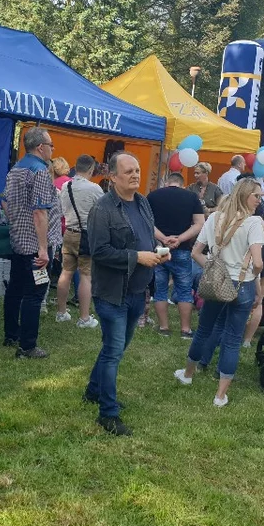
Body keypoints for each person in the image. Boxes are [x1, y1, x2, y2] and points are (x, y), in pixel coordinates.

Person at [84, 152, 168, 435]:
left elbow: (144, 237)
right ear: (113, 177)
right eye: (128, 171)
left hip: (137, 291)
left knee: (114, 348)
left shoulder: (143, 202)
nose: (135, 175)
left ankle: (93, 391)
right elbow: (99, 252)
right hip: (111, 293)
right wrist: (137, 257)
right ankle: (107, 414)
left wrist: (156, 254)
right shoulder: (103, 209)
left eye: (137, 170)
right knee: (113, 351)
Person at [173, 179, 264, 406]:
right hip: (243, 284)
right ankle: (220, 395)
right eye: (257, 196)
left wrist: (214, 269)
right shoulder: (254, 223)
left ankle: (188, 374)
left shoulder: (214, 218)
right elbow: (260, 262)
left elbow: (196, 252)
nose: (259, 201)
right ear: (245, 196)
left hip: (216, 282)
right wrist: (250, 275)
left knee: (204, 329)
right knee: (233, 339)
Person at [2, 127, 63, 359]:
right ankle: (27, 346)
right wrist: (42, 247)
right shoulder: (39, 171)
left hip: (18, 240)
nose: (52, 150)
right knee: (34, 294)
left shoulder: (15, 169)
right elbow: (40, 212)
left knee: (16, 288)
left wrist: (17, 222)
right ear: (41, 147)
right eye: (51, 145)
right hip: (36, 245)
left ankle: (11, 334)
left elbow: (5, 203)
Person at [146, 172, 204, 338]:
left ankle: (164, 327)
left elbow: (148, 223)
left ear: (166, 183)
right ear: (182, 184)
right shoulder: (192, 197)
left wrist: (164, 238)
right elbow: (199, 223)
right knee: (185, 290)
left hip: (159, 248)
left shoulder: (153, 196)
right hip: (183, 249)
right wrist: (179, 239)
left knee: (160, 289)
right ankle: (185, 329)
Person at [57, 153, 103, 328]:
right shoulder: (94, 188)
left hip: (68, 232)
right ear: (91, 169)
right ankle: (84, 318)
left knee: (66, 272)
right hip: (86, 234)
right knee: (86, 274)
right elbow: (102, 212)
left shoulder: (65, 186)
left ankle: (61, 312)